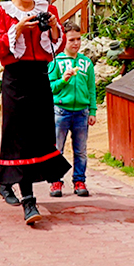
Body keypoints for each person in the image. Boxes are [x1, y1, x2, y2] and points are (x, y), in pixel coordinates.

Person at [0, 0, 70, 224]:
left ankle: (6, 182)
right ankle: (29, 201)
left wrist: (53, 27)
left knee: (39, 134)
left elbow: (58, 44)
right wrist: (18, 29)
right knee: (18, 135)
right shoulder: (2, 13)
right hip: (15, 78)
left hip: (40, 77)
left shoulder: (47, 9)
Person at [46, 33, 97, 197]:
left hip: (82, 112)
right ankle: (55, 181)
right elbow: (50, 88)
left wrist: (93, 110)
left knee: (80, 150)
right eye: (71, 40)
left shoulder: (86, 63)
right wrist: (63, 80)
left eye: (78, 39)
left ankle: (79, 180)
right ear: (64, 42)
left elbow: (91, 89)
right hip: (61, 111)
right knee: (57, 149)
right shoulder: (56, 62)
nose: (76, 43)